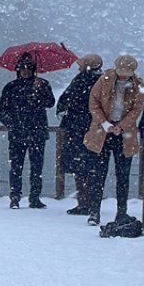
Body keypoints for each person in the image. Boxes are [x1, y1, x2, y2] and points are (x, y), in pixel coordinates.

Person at [84, 55, 144, 226]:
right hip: (102, 133)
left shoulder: (139, 85)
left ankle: (122, 212)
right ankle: (94, 212)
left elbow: (137, 109)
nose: (124, 75)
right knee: (98, 174)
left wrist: (122, 126)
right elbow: (93, 102)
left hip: (124, 135)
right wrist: (104, 123)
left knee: (123, 175)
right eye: (122, 72)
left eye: (127, 73)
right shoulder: (104, 79)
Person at [0, 52, 56, 209]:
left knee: (37, 168)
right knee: (16, 167)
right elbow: (1, 110)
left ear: (34, 69)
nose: (25, 71)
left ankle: (34, 198)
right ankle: (15, 197)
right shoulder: (11, 87)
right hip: (17, 133)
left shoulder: (43, 84)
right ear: (17, 70)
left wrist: (40, 91)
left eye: (29, 67)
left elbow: (50, 103)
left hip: (38, 133)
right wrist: (12, 124)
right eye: (22, 68)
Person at [56, 54, 104, 216]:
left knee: (81, 168)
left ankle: (84, 202)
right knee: (92, 167)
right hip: (95, 129)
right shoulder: (102, 80)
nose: (79, 67)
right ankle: (91, 202)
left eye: (81, 64)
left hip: (78, 129)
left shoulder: (82, 80)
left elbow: (67, 99)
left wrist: (67, 109)